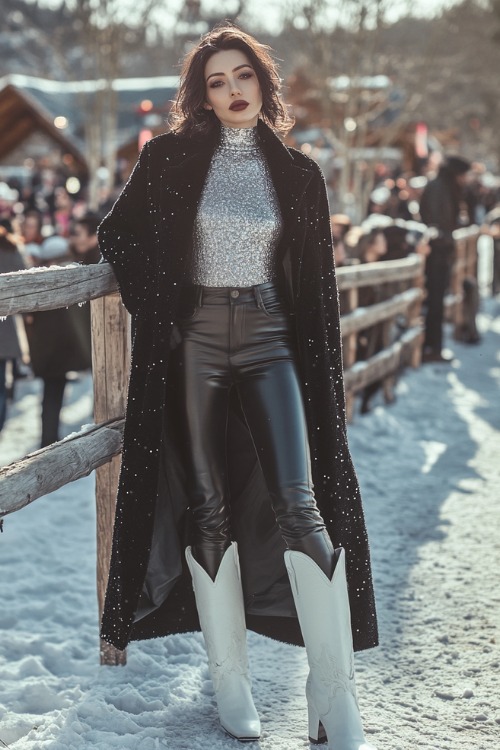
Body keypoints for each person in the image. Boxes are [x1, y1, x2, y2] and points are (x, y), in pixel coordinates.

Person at [97, 24, 378, 749]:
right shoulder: (166, 160)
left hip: (272, 337)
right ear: (204, 95)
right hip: (193, 344)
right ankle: (231, 680)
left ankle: (334, 692)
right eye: (217, 81)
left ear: (262, 81)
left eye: (242, 76)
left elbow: (316, 281)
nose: (232, 91)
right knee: (208, 509)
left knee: (302, 502)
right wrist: (159, 302)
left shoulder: (299, 173)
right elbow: (117, 233)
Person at [24, 235, 92, 447]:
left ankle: (48, 439)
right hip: (69, 349)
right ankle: (49, 438)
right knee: (55, 393)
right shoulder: (77, 275)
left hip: (48, 351)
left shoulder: (40, 279)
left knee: (51, 395)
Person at [419, 155, 471, 363]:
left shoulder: (442, 187)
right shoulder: (440, 188)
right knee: (435, 303)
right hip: (436, 254)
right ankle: (433, 348)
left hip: (440, 251)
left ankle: (434, 346)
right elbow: (437, 223)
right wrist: (446, 239)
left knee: (436, 302)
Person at [0, 220, 27, 433]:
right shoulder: (11, 248)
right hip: (5, 328)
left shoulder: (10, 248)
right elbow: (26, 279)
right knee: (1, 384)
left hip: (5, 326)